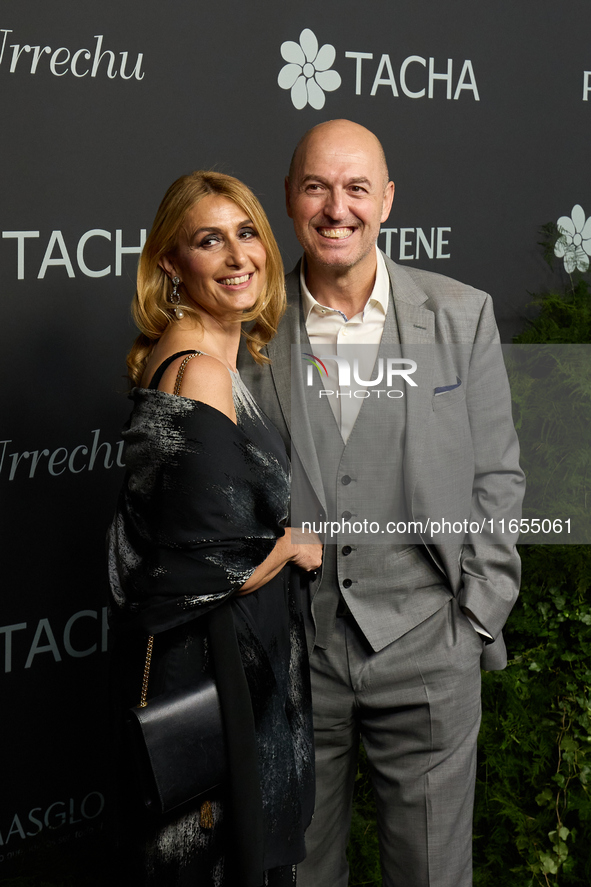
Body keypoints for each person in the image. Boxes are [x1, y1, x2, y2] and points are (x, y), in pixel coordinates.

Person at [238, 120, 526, 887]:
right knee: (298, 872)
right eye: (316, 187)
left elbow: (497, 478)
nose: (338, 208)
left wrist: (476, 616)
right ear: (291, 198)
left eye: (356, 187)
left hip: (432, 646)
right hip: (297, 655)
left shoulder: (460, 316)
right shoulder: (249, 331)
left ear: (387, 200)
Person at [107, 170, 322, 887]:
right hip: (221, 673)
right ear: (171, 263)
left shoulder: (209, 354)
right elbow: (218, 563)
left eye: (246, 232)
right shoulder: (198, 367)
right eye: (209, 240)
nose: (237, 257)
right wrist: (292, 541)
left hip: (232, 664)